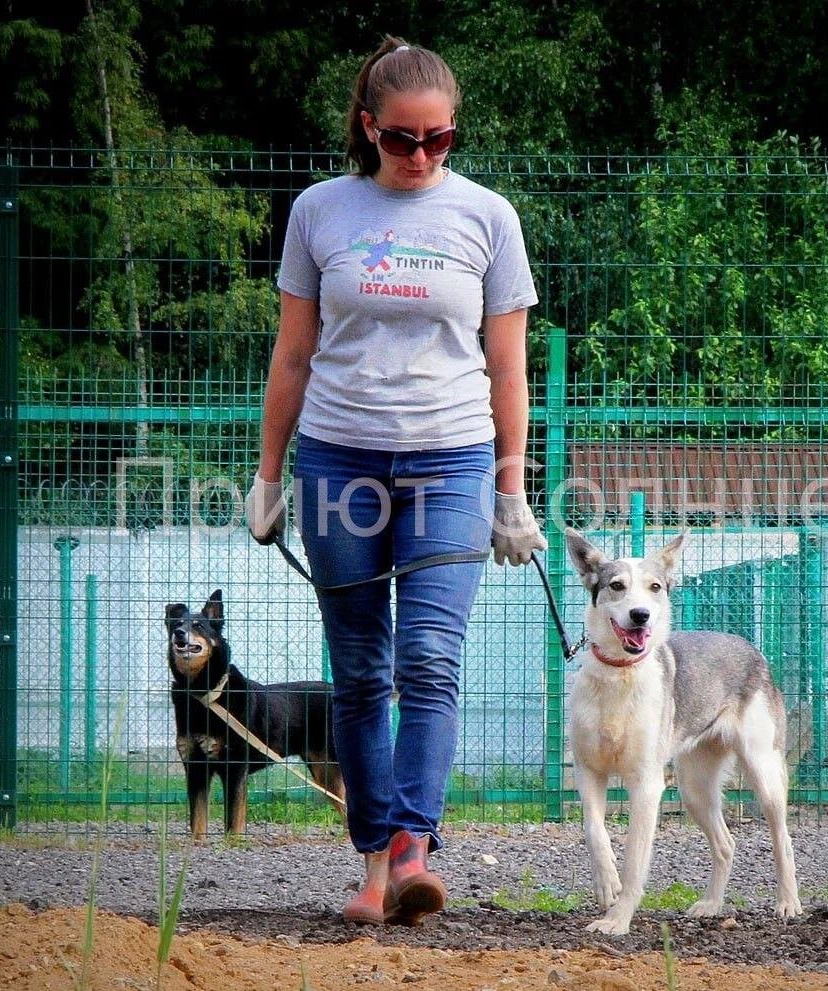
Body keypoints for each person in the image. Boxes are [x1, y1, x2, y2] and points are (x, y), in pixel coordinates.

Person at [245, 35, 546, 926]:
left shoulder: (488, 218)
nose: (419, 157)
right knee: (361, 668)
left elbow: (508, 369)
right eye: (401, 140)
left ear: (454, 134)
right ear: (369, 128)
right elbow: (293, 353)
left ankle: (413, 842)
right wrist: (267, 477)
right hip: (337, 459)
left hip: (451, 459)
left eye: (438, 140)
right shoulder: (318, 211)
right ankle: (374, 861)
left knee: (427, 657)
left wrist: (509, 488)